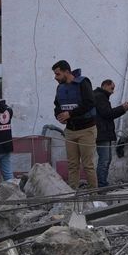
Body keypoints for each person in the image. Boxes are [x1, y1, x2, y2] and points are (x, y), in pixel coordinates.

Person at [51, 60, 98, 189]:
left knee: (88, 165)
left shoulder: (83, 83)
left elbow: (90, 103)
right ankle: (73, 194)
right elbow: (57, 105)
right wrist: (59, 116)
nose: (55, 77)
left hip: (86, 130)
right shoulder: (60, 88)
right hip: (70, 130)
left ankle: (94, 194)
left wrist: (70, 114)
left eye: (58, 74)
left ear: (67, 72)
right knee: (72, 165)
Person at [91, 79, 128, 189]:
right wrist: (122, 108)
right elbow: (107, 114)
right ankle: (101, 185)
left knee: (106, 159)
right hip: (102, 133)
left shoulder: (99, 96)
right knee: (104, 160)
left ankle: (102, 184)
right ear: (105, 85)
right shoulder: (100, 96)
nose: (113, 91)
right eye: (112, 88)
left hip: (102, 132)